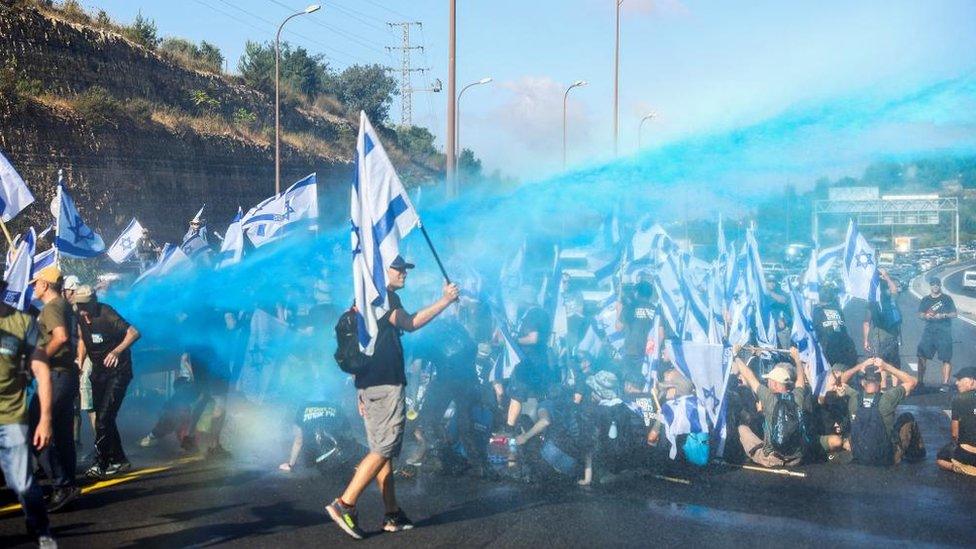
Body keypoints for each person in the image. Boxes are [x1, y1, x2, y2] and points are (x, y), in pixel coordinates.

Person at [326, 255, 459, 539]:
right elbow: (410, 323)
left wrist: (359, 390)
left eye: (405, 269)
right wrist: (445, 301)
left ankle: (392, 514)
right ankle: (344, 503)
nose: (403, 274)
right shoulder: (385, 298)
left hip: (370, 385)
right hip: (386, 385)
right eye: (398, 269)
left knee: (382, 450)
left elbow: (362, 346)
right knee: (384, 449)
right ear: (382, 270)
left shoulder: (362, 298)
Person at [0, 281, 57, 547]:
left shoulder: (23, 323)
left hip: (11, 416)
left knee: (21, 482)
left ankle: (40, 529)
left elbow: (42, 371)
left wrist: (45, 419)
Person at [29, 265, 80, 512]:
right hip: (65, 375)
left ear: (45, 285)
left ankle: (62, 485)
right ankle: (69, 484)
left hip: (56, 375)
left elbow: (59, 336)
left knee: (37, 428)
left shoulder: (52, 307)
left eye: (35, 283)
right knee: (61, 434)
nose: (33, 288)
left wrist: (39, 359)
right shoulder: (63, 305)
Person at [75, 286, 141, 478]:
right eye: (79, 304)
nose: (83, 309)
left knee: (103, 418)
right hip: (98, 372)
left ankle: (101, 462)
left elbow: (134, 333)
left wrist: (117, 351)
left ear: (94, 301)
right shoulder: (79, 314)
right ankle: (120, 460)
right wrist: (80, 362)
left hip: (118, 372)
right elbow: (82, 338)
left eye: (86, 304)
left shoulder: (106, 313)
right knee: (105, 418)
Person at [732, 347, 810, 468]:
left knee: (742, 429)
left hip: (773, 460)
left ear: (774, 383)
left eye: (768, 380)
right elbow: (800, 381)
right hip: (797, 458)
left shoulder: (769, 398)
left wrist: (736, 355)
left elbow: (749, 375)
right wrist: (797, 359)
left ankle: (758, 455)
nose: (767, 383)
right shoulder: (797, 397)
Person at [844, 358, 921, 465]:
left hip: (859, 455)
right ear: (880, 383)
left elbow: (839, 381)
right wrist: (886, 367)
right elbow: (913, 381)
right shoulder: (888, 398)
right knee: (908, 417)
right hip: (885, 458)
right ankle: (916, 456)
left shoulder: (853, 397)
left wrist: (861, 365)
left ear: (863, 382)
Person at [498, 286, 552, 436]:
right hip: (541, 362)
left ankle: (509, 430)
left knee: (517, 395)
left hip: (528, 363)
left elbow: (533, 338)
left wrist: (514, 340)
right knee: (540, 397)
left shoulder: (533, 314)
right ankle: (542, 432)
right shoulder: (543, 314)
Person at [862, 268, 902, 388]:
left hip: (878, 337)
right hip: (891, 335)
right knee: (894, 363)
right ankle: (894, 387)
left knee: (880, 362)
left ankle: (883, 387)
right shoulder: (890, 298)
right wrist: (886, 276)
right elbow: (895, 290)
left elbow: (866, 322)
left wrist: (865, 340)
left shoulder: (873, 301)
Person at [916, 277, 956, 392]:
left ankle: (945, 383)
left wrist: (943, 315)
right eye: (933, 284)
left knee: (946, 358)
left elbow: (954, 314)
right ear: (930, 286)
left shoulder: (946, 299)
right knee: (921, 355)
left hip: (944, 333)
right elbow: (920, 314)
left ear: (940, 286)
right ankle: (920, 381)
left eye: (937, 284)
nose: (935, 286)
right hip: (929, 332)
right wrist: (925, 316)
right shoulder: (925, 300)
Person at [936, 367, 976, 477]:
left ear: (972, 380)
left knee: (940, 458)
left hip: (967, 454)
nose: (957, 382)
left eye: (960, 379)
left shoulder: (959, 399)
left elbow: (955, 433)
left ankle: (961, 468)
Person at [812, 286, 858, 369]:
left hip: (827, 349)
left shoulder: (816, 311)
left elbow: (815, 330)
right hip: (843, 348)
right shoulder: (838, 310)